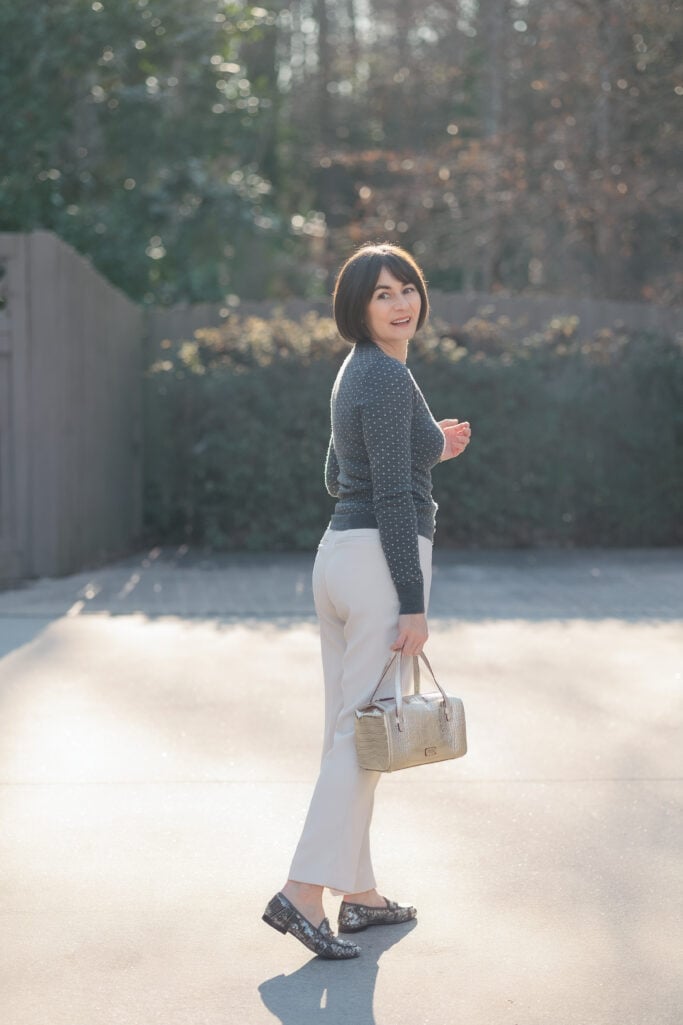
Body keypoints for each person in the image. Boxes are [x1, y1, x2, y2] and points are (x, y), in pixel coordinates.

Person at [262, 243, 471, 959]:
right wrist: (412, 602)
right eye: (382, 293)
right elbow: (387, 494)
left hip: (340, 560)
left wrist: (428, 447)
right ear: (357, 306)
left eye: (406, 287)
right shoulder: (385, 375)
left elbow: (338, 474)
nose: (400, 302)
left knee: (352, 732)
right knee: (362, 738)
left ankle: (359, 894)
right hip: (380, 563)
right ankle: (301, 892)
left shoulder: (358, 369)